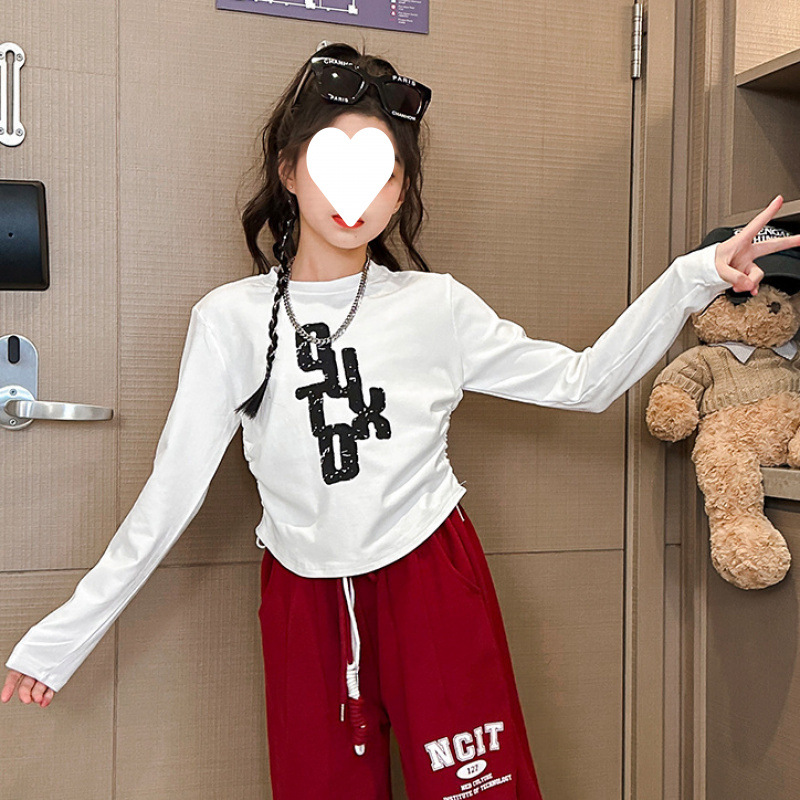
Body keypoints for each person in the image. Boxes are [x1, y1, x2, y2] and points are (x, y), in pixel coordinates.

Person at [4, 39, 800, 799]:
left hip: (431, 578)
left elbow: (584, 382)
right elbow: (171, 492)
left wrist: (692, 277)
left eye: (382, 173)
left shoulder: (435, 306)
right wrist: (65, 635)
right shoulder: (230, 320)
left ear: (399, 191)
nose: (355, 196)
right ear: (289, 170)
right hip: (302, 597)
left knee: (478, 794)